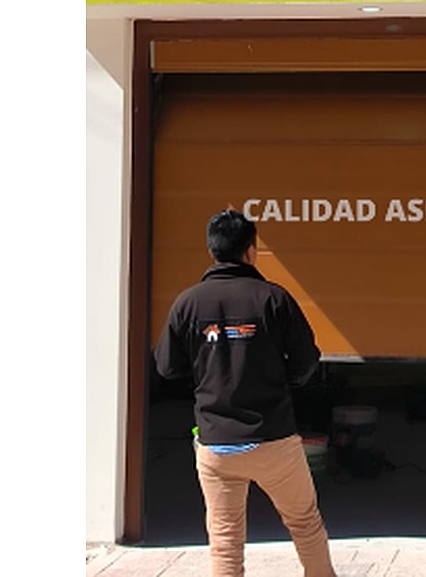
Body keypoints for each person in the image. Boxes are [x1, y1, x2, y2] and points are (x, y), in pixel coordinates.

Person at [154, 209, 337, 577]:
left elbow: (167, 367)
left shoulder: (188, 304)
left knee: (225, 541)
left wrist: (208, 374)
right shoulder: (274, 299)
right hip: (275, 440)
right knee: (304, 523)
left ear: (212, 251)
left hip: (217, 446)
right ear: (251, 251)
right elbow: (307, 360)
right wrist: (282, 382)